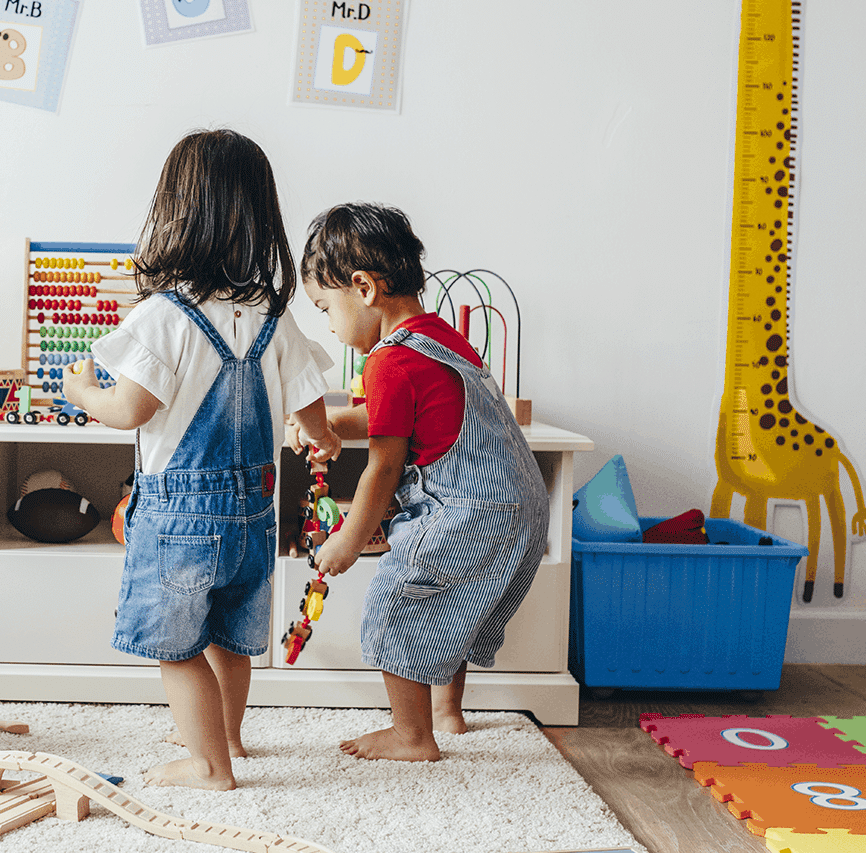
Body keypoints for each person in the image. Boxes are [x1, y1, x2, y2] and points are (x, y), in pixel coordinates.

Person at [64, 128, 340, 790]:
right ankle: (229, 738)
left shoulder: (165, 315)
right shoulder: (273, 315)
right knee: (229, 637)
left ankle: (209, 765)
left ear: (176, 214)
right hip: (255, 513)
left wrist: (83, 394)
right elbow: (311, 409)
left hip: (180, 518)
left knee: (178, 647)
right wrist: (320, 438)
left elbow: (130, 409)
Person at [292, 202, 548, 762]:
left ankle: (412, 736)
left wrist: (348, 540)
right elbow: (398, 417)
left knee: (398, 599)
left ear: (363, 288)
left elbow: (384, 466)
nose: (330, 327)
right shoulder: (441, 340)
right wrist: (331, 425)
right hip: (521, 505)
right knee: (449, 605)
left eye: (326, 309)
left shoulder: (387, 362)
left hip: (471, 508)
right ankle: (446, 711)